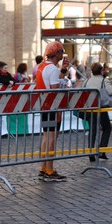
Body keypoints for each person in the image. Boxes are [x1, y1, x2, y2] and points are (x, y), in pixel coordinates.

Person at [36, 41, 69, 182]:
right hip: (52, 107)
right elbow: (55, 88)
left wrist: (62, 71)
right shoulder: (53, 69)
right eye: (61, 52)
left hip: (44, 105)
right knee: (51, 138)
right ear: (57, 53)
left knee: (46, 137)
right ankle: (49, 169)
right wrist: (63, 83)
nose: (63, 54)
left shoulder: (41, 66)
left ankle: (44, 167)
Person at [83, 62, 112, 161]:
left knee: (92, 130)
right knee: (107, 128)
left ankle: (91, 153)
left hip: (90, 109)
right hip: (101, 108)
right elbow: (111, 91)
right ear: (101, 71)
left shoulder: (86, 81)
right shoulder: (104, 81)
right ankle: (101, 151)